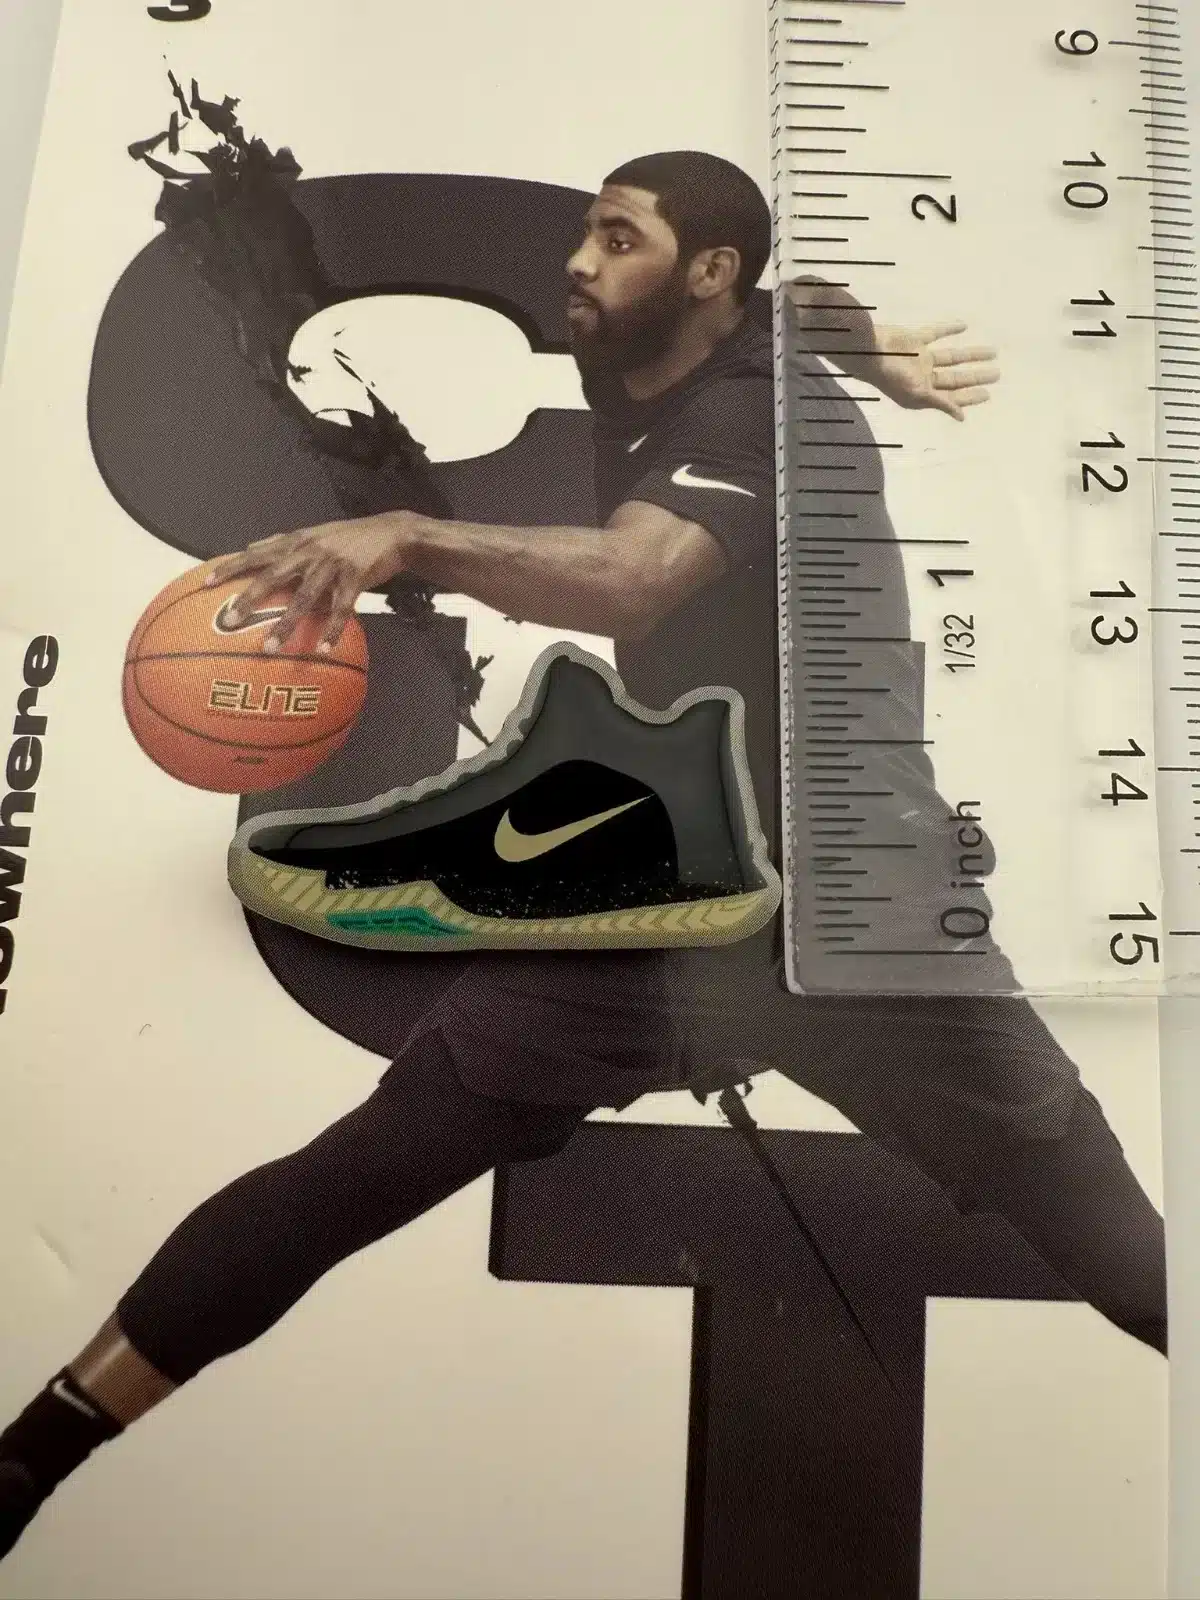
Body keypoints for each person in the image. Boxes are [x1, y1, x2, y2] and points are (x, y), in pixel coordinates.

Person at [0, 150, 1167, 1560]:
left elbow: (637, 577)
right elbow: (795, 297)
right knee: (359, 1173)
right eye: (588, 232)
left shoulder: (758, 407)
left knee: (1113, 1243)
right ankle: (25, 1466)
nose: (578, 260)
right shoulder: (695, 338)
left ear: (705, 273)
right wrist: (872, 336)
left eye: (619, 239)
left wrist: (405, 534)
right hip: (675, 889)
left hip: (856, 909)